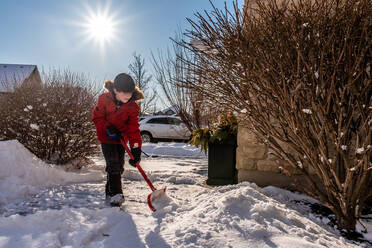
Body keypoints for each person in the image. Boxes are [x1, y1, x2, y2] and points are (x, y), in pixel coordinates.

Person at [92, 72, 144, 206]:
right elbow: (97, 118)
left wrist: (136, 149)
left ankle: (110, 192)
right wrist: (107, 127)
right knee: (113, 164)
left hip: (121, 139)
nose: (128, 98)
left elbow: (133, 128)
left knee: (119, 167)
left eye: (130, 95)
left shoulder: (132, 106)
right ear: (115, 90)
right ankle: (116, 194)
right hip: (106, 138)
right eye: (125, 96)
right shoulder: (104, 99)